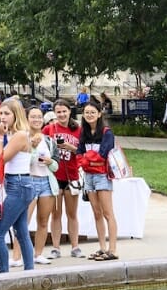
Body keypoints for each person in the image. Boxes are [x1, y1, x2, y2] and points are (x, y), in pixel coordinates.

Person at [0, 98, 36, 273]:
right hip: (15, 183)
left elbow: (1, 158)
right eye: (1, 113)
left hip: (18, 184)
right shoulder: (13, 134)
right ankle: (29, 271)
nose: (3, 117)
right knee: (21, 232)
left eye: (7, 113)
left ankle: (4, 273)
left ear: (16, 114)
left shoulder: (20, 135)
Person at [44, 99, 84, 259]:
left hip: (71, 175)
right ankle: (56, 247)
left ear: (69, 111)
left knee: (72, 213)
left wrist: (71, 148)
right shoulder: (49, 129)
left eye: (64, 111)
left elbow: (83, 151)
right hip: (54, 176)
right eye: (58, 112)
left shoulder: (78, 130)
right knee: (56, 214)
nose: (61, 114)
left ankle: (75, 247)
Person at [78, 101, 118, 260]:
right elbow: (80, 154)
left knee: (108, 213)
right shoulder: (84, 132)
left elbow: (102, 155)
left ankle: (113, 249)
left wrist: (87, 159)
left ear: (99, 114)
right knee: (96, 213)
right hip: (88, 176)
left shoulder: (106, 132)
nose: (89, 115)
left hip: (102, 175)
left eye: (92, 112)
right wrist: (87, 160)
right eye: (86, 112)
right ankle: (102, 247)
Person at [26, 106, 57, 264]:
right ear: (27, 119)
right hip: (29, 181)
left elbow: (55, 166)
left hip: (46, 182)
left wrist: (50, 161)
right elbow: (23, 163)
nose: (37, 120)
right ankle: (19, 256)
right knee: (24, 221)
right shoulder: (22, 138)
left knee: (43, 221)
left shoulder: (49, 141)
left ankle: (38, 254)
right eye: (33, 116)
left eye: (39, 116)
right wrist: (32, 147)